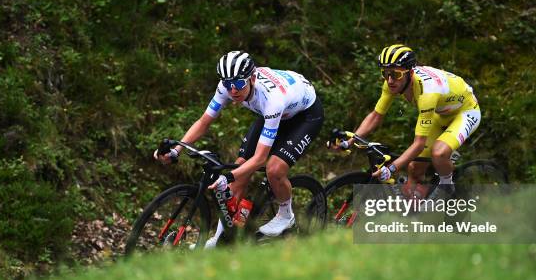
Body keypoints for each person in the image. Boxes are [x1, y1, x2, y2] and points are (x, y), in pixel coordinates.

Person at [154, 50, 324, 247]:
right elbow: (204, 122)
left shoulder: (272, 99)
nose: (233, 90)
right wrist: (176, 150)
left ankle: (286, 215)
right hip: (276, 114)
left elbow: (260, 158)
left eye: (238, 84)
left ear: (252, 78)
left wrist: (228, 177)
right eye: (228, 84)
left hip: (305, 115)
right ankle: (219, 242)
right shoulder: (227, 86)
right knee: (240, 167)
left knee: (274, 169)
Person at [335, 44, 481, 199]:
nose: (390, 80)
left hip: (465, 111)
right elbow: (376, 116)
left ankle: (447, 186)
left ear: (410, 73)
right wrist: (351, 140)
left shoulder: (427, 93)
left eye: (395, 74)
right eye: (385, 73)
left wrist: (391, 169)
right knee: (414, 168)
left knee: (438, 153)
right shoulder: (392, 82)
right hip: (441, 113)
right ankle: (417, 208)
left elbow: (418, 144)